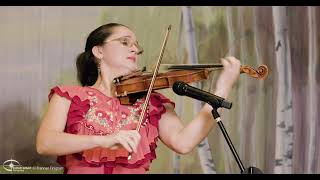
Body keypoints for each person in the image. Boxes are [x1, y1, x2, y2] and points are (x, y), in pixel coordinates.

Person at [36, 23, 241, 174]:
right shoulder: (69, 96)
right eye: (125, 42)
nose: (134, 49)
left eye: (136, 45)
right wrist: (105, 140)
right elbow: (45, 143)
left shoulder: (152, 102)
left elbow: (184, 143)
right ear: (99, 51)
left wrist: (222, 89)